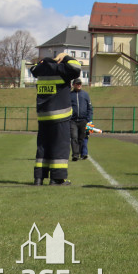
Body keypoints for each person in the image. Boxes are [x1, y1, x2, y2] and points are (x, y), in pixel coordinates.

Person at [30, 53, 82, 185]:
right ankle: (57, 179)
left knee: (43, 147)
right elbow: (76, 68)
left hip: (43, 115)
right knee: (60, 146)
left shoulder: (41, 69)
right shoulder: (61, 69)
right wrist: (65, 57)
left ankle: (38, 178)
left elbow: (34, 68)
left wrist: (49, 59)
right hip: (60, 115)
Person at [70, 78, 93, 161]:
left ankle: (81, 153)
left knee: (82, 138)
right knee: (74, 137)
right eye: (77, 84)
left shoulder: (85, 95)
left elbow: (90, 108)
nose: (79, 85)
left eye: (80, 84)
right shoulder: (70, 95)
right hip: (73, 120)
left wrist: (88, 119)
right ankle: (75, 155)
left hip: (83, 120)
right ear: (73, 85)